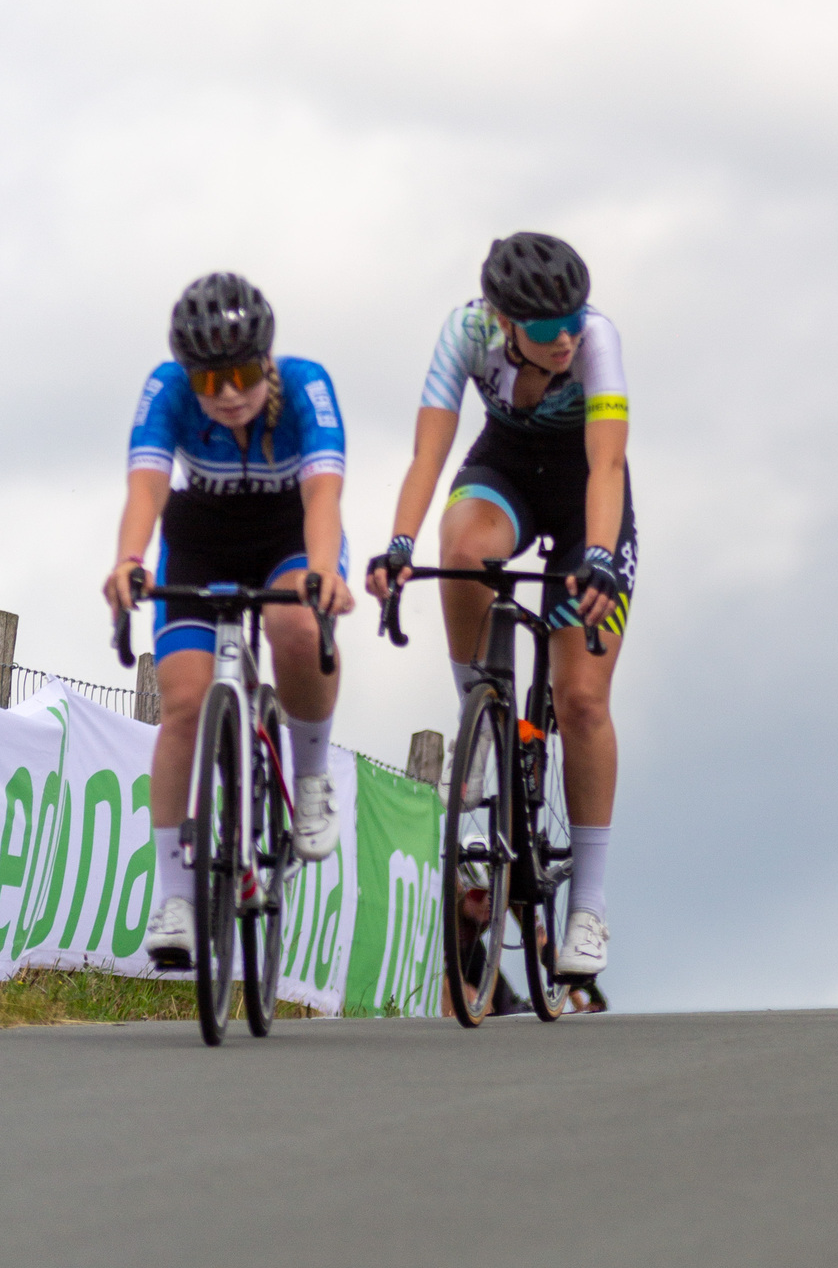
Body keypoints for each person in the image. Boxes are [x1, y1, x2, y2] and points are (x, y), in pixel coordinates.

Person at [367, 230, 634, 980]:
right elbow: (430, 453)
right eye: (548, 328)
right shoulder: (467, 331)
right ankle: (480, 714)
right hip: (507, 470)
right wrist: (397, 542)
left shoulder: (596, 340)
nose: (567, 337)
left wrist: (602, 561)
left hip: (587, 493)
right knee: (459, 548)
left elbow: (608, 462)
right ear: (505, 320)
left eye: (573, 318)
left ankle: (588, 905)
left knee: (582, 700)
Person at [102, 272, 354, 971]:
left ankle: (309, 780)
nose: (228, 393)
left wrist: (324, 575)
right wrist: (128, 559)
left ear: (267, 360)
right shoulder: (168, 390)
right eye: (210, 381)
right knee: (182, 704)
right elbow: (147, 489)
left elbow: (324, 498)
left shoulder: (306, 387)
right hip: (203, 535)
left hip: (288, 533)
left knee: (296, 628)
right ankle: (177, 896)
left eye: (243, 374)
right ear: (189, 375)